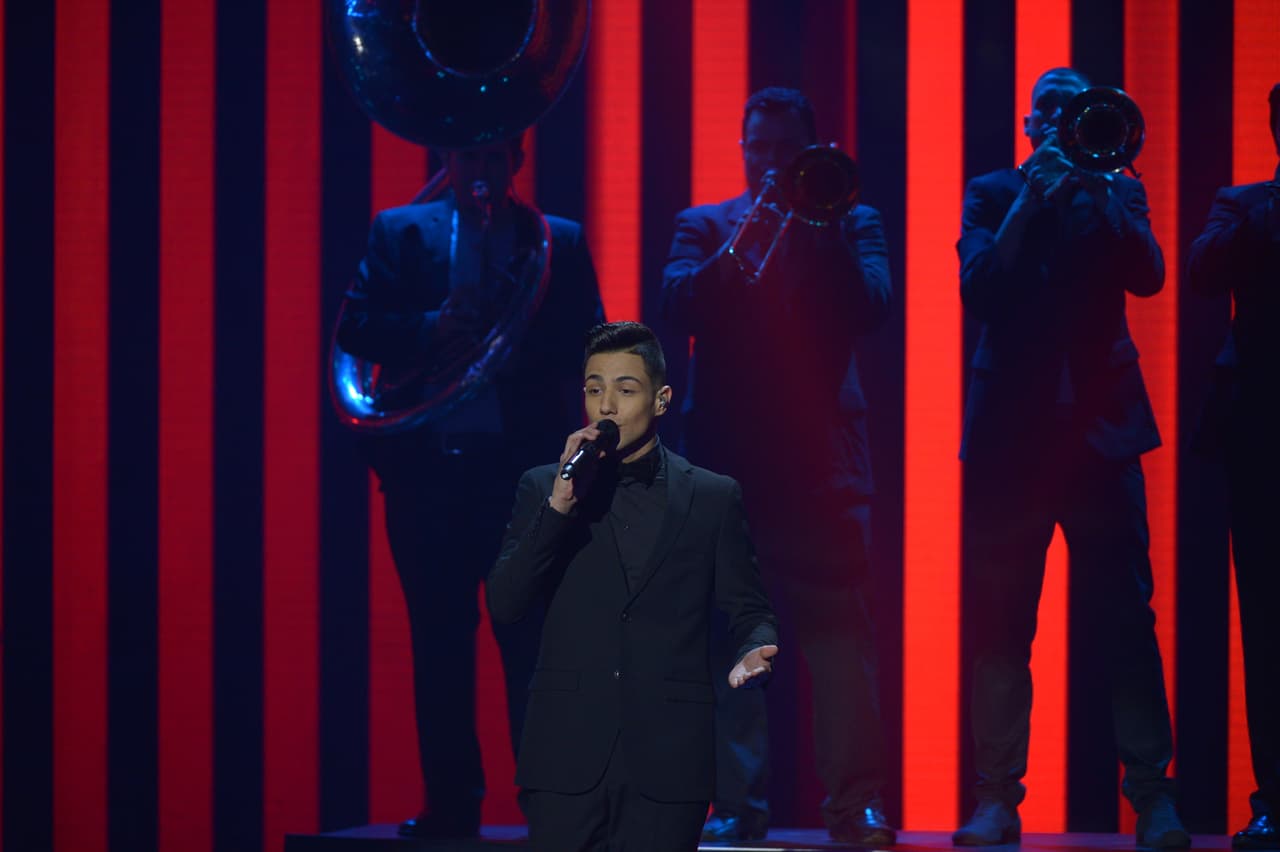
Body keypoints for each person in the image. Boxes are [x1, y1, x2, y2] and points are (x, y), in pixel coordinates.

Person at [335, 134, 604, 839]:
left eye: (493, 159)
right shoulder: (397, 231)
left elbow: (593, 347)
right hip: (430, 474)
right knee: (439, 647)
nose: (480, 176)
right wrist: (436, 326)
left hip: (520, 480)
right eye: (467, 158)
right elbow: (356, 327)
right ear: (446, 162)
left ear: (516, 161)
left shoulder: (558, 242)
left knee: (533, 649)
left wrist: (508, 337)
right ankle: (452, 806)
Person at [952, 67, 1187, 848]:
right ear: (1028, 129)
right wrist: (1035, 197)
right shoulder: (990, 192)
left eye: (1075, 111)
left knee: (1128, 619)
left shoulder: (1119, 187)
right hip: (1011, 444)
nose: (1063, 123)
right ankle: (996, 801)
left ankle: (1154, 799)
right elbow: (981, 289)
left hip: (1102, 435)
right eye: (1049, 113)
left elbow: (1150, 275)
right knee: (1001, 624)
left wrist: (1097, 190)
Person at [661, 87, 895, 845]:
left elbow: (871, 306)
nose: (770, 163)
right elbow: (679, 305)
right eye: (758, 148)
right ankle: (737, 808)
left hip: (823, 467)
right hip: (733, 466)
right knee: (734, 643)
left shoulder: (851, 220)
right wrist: (754, 233)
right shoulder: (705, 226)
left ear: (812, 149)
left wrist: (813, 227)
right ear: (742, 149)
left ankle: (854, 805)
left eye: (784, 149)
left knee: (841, 647)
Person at [486, 321, 780, 851]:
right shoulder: (543, 487)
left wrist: (754, 647)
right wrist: (560, 505)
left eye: (625, 389)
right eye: (595, 388)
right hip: (565, 758)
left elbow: (749, 607)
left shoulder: (712, 497)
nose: (607, 406)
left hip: (669, 763)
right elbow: (505, 603)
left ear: (661, 400)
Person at [1186, 82, 1280, 852]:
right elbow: (1201, 271)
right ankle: (1274, 797)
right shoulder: (1243, 205)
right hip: (1262, 442)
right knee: (1269, 625)